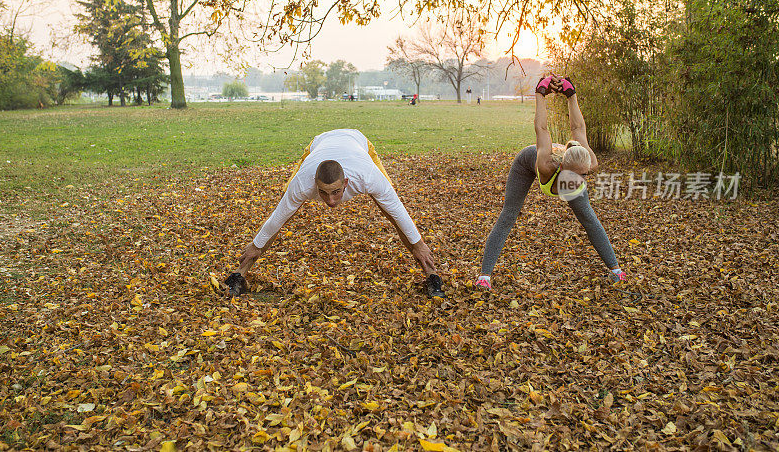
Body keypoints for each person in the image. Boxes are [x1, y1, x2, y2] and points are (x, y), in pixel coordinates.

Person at [232, 129, 445, 298]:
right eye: (323, 194)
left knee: (389, 205)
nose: (331, 202)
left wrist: (419, 245)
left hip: (358, 142)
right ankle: (239, 274)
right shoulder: (302, 183)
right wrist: (256, 246)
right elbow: (277, 218)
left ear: (345, 183)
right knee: (285, 206)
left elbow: (398, 211)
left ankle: (432, 275)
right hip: (318, 143)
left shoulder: (368, 176)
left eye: (336, 192)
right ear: (315, 184)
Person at [476, 75, 629, 290]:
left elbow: (579, 129)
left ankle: (616, 270)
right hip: (527, 163)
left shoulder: (588, 162)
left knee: (589, 217)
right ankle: (484, 277)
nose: (579, 182)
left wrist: (571, 95)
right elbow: (542, 129)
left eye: (584, 176)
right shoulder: (546, 165)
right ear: (562, 169)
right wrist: (540, 94)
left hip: (569, 158)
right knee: (509, 215)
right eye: (574, 177)